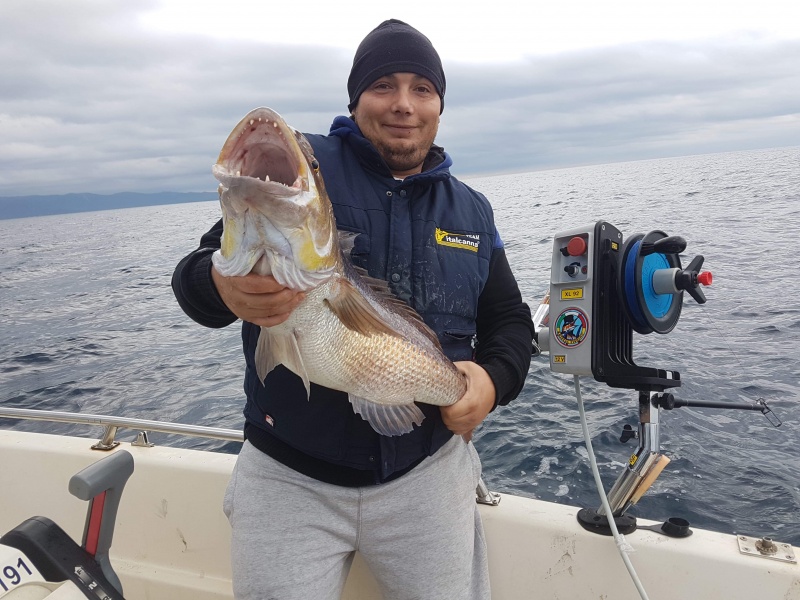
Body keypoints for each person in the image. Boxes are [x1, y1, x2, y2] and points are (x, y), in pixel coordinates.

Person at [172, 19, 534, 600]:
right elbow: (196, 275)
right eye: (383, 85)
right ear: (355, 97)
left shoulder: (472, 209)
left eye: (422, 88)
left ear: (440, 103)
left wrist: (492, 383)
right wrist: (221, 285)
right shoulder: (301, 173)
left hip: (429, 474)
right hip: (288, 475)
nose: (403, 105)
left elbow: (511, 321)